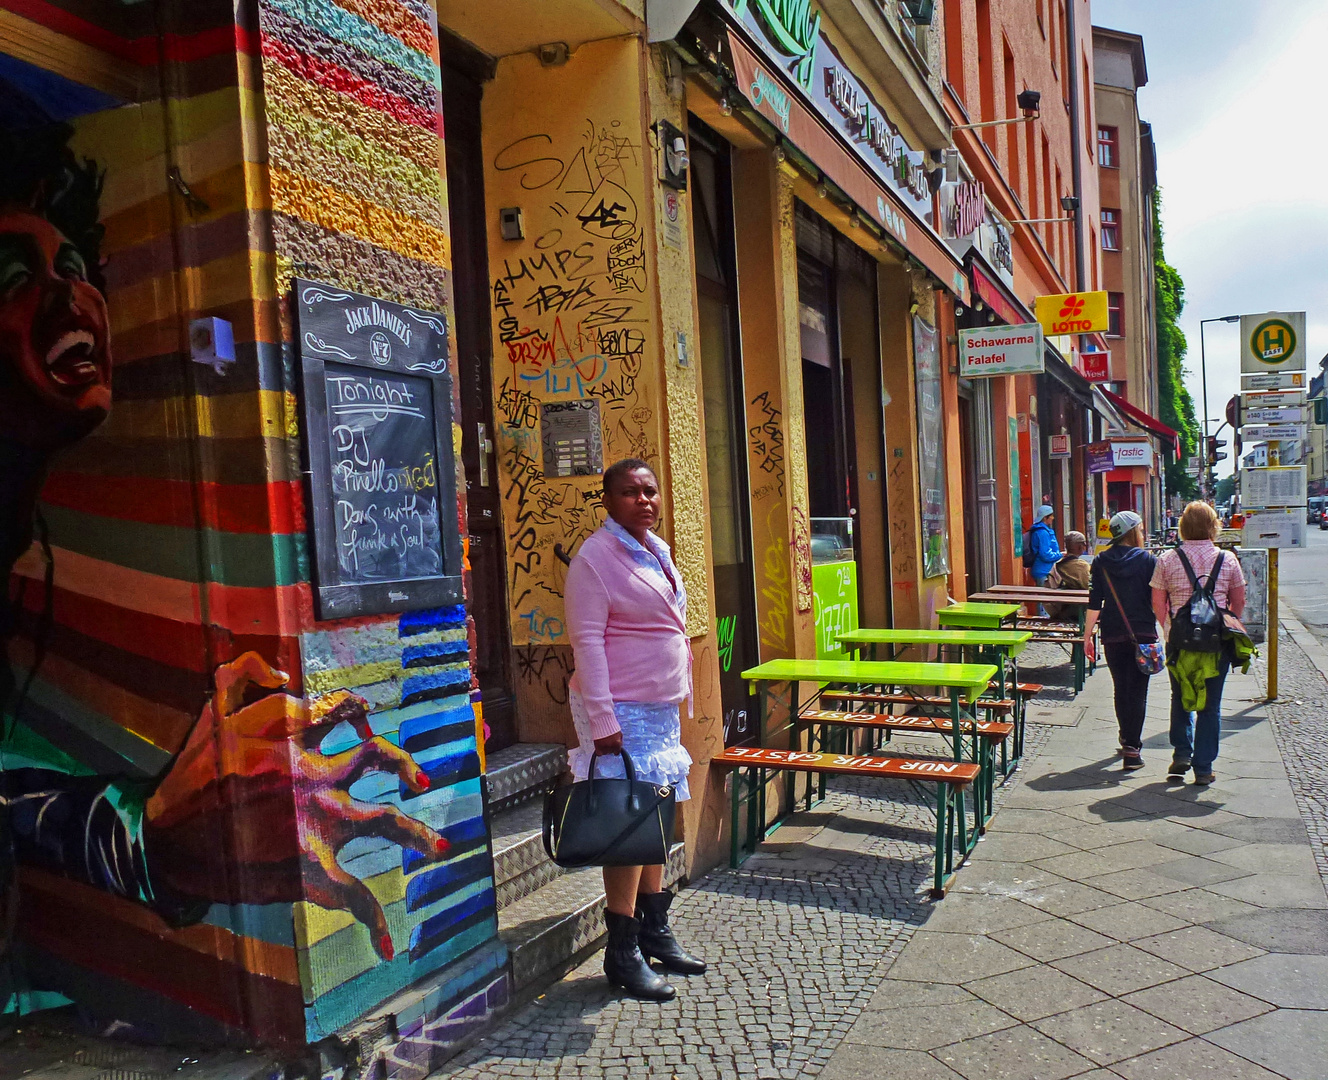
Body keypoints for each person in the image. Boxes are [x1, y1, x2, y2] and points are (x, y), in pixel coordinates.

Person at [563, 458, 704, 1002]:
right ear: (607, 501)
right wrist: (602, 721)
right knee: (626, 824)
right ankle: (620, 950)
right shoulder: (595, 560)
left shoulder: (656, 550)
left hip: (659, 710)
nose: (644, 500)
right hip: (619, 712)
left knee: (654, 816)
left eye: (649, 491)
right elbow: (588, 643)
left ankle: (654, 928)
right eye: (629, 492)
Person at [1151, 501, 1247, 785]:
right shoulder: (1227, 559)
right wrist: (1225, 624)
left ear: (1183, 526)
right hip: (1215, 642)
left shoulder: (1168, 559)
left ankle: (1181, 753)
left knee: (1180, 696)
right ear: (1212, 526)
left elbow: (1158, 602)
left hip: (1179, 642)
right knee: (1211, 705)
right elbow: (1239, 600)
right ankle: (1203, 768)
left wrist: (1168, 628)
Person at [1082, 512, 1158, 770]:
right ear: (1134, 532)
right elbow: (1156, 600)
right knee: (1138, 691)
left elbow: (1094, 603)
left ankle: (1126, 737)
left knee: (1120, 687)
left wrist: (1087, 637)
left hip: (1113, 633)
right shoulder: (1148, 560)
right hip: (1143, 633)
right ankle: (1132, 750)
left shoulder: (1100, 561)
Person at [1026, 505, 1063, 588]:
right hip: (1043, 571)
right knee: (1045, 598)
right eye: (1051, 516)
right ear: (1045, 518)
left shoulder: (1042, 531)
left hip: (1043, 570)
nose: (1053, 518)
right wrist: (1060, 555)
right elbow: (1045, 554)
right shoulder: (1043, 533)